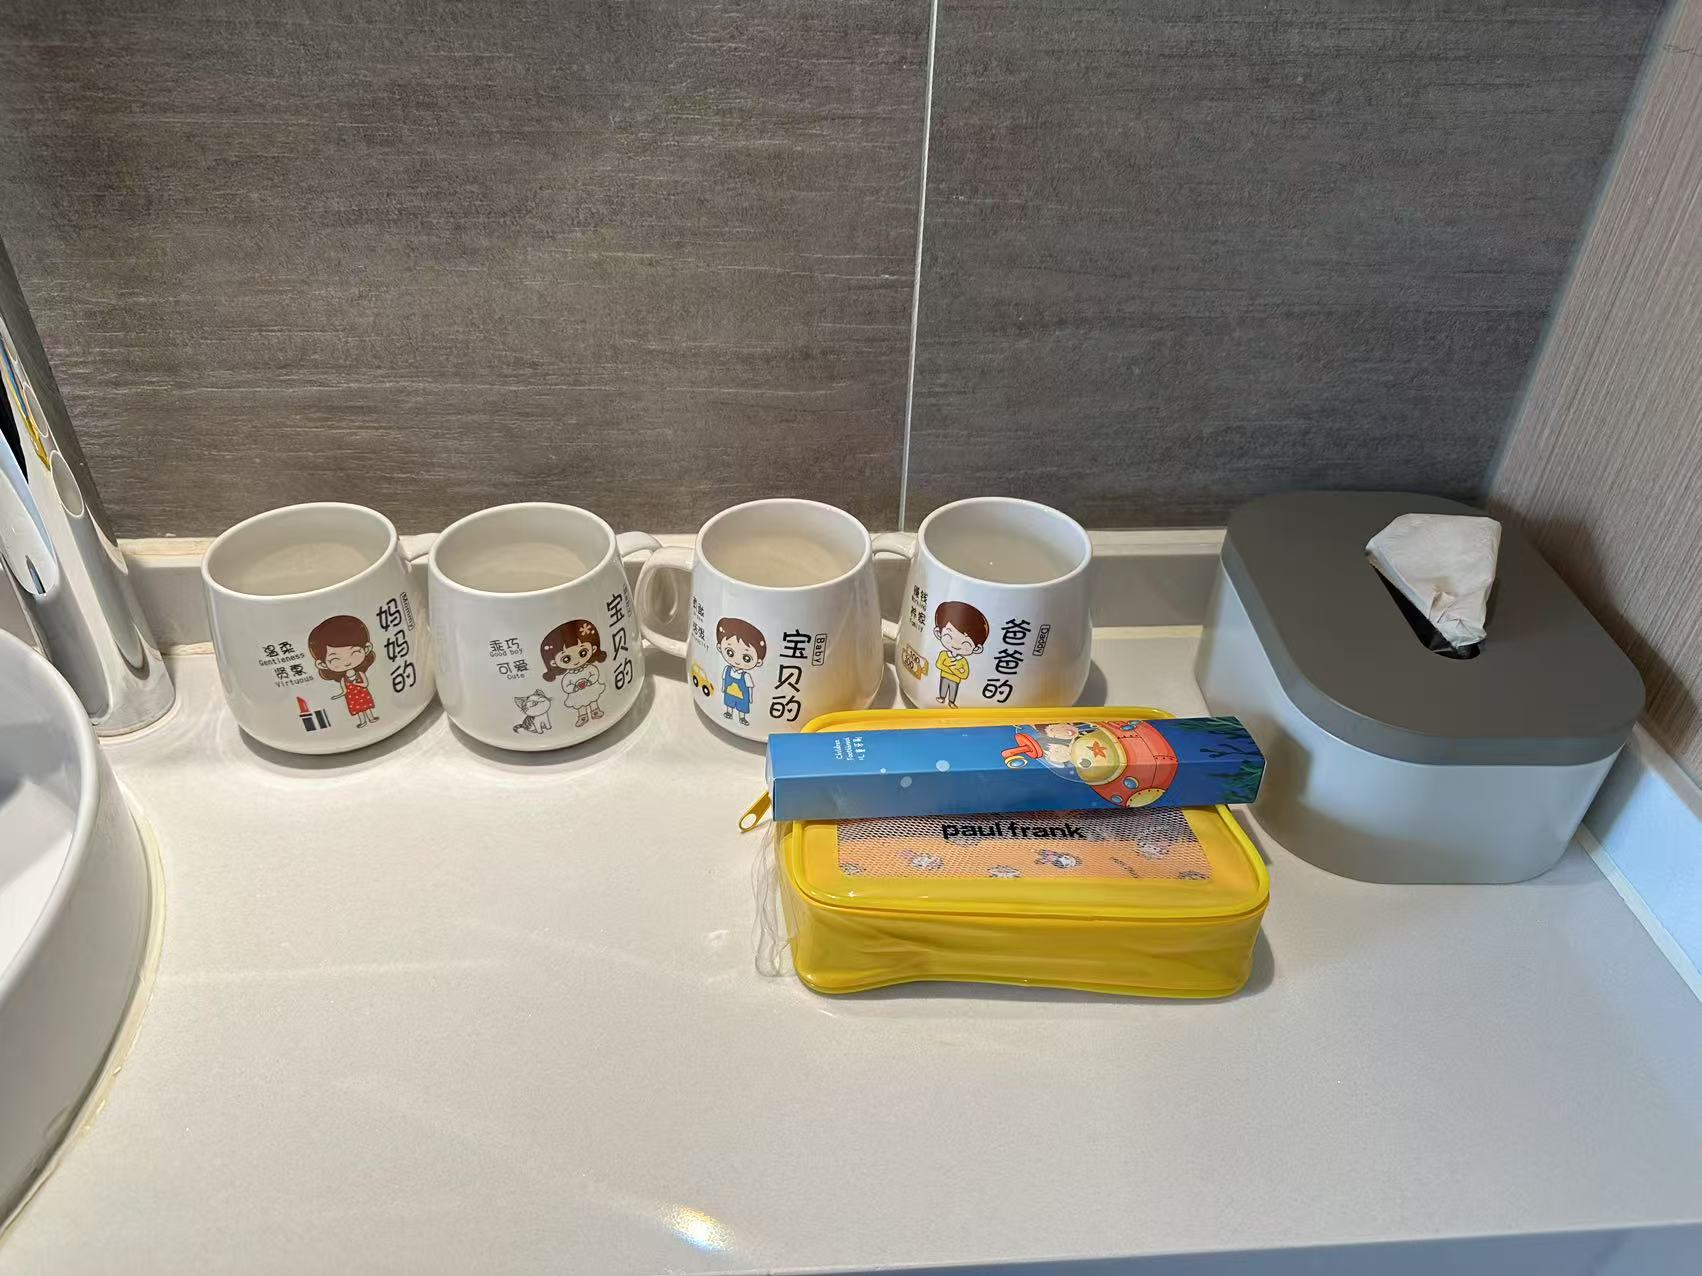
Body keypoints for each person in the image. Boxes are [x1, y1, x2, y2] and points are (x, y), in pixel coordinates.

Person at [931, 600, 989, 706]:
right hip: (945, 676)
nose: (956, 645)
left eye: (966, 644)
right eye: (949, 637)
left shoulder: (962, 661)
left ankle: (951, 702)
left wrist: (951, 669)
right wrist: (954, 670)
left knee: (953, 690)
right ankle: (942, 697)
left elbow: (965, 674)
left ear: (977, 648)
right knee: (943, 687)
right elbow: (939, 664)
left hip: (955, 680)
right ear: (938, 633)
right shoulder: (944, 654)